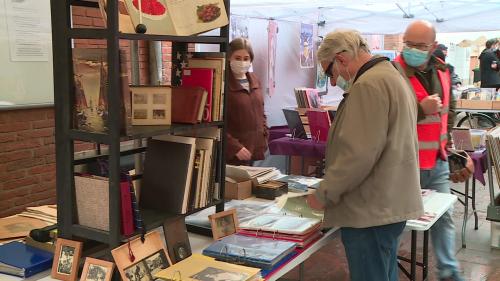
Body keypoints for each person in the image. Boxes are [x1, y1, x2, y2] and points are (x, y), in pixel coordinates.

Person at [307, 29, 424, 281]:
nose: (332, 80)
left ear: (341, 59)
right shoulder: (392, 75)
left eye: (329, 72)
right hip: (387, 204)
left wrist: (323, 194)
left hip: (369, 210)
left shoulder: (368, 85)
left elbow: (357, 155)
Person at [394, 20, 474, 281]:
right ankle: (386, 272)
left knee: (444, 218)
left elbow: (451, 116)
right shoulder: (392, 72)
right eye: (408, 44)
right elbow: (386, 118)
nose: (412, 50)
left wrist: (464, 153)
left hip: (436, 162)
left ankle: (448, 272)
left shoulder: (444, 72)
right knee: (394, 223)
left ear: (433, 47)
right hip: (403, 165)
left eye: (419, 46)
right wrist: (420, 109)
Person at [225, 37, 268, 166]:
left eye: (246, 58)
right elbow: (216, 123)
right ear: (229, 58)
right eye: (237, 58)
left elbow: (261, 112)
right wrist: (233, 147)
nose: (242, 62)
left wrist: (265, 135)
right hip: (232, 155)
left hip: (254, 150)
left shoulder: (254, 80)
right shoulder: (222, 83)